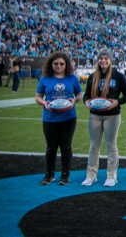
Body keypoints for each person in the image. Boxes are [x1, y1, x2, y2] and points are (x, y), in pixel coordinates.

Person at [81, 48, 126, 187]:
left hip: (112, 115)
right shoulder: (93, 76)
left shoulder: (118, 76)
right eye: (101, 58)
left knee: (111, 146)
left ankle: (111, 176)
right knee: (94, 146)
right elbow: (86, 95)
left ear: (110, 60)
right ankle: (91, 175)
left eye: (106, 58)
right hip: (95, 115)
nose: (103, 61)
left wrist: (117, 102)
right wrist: (86, 102)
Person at [34, 51, 83, 186]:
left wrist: (74, 100)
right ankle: (49, 175)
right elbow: (38, 97)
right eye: (56, 63)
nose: (59, 66)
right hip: (49, 118)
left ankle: (65, 175)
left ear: (66, 64)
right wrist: (44, 103)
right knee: (51, 147)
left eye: (62, 63)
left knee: (66, 147)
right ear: (51, 64)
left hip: (68, 117)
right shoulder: (44, 79)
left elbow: (79, 95)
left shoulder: (72, 78)